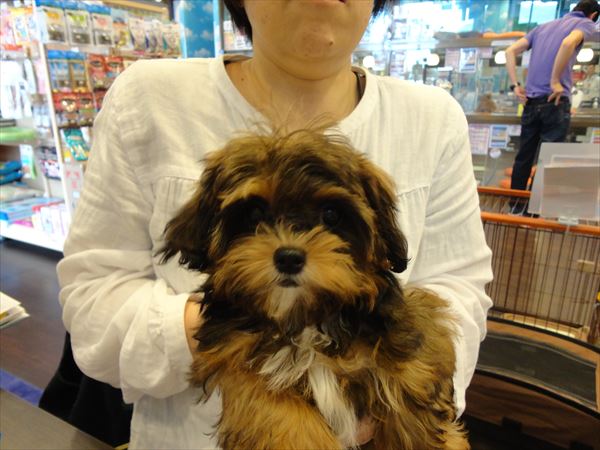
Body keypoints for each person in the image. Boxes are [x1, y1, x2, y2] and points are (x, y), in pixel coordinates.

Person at [56, 1, 493, 448]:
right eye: (255, 218)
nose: (289, 247)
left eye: (329, 218)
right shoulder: (148, 97)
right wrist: (237, 343)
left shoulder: (434, 118)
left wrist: (396, 404)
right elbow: (93, 308)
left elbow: (457, 292)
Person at [505, 0, 599, 201]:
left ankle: (515, 207)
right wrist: (555, 80)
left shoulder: (542, 27)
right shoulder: (585, 23)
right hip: (555, 102)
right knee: (547, 160)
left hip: (531, 103)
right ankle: (534, 212)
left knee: (524, 158)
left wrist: (515, 85)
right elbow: (567, 43)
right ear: (593, 15)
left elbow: (510, 51)